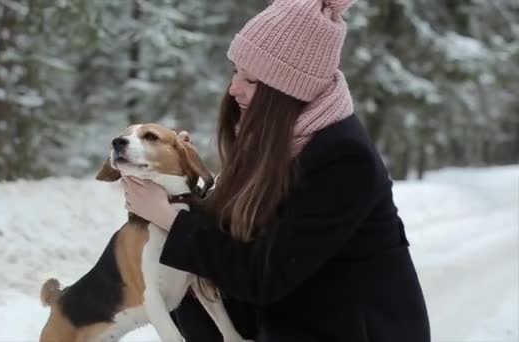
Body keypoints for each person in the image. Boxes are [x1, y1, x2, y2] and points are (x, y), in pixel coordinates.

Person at [121, 0, 431, 341]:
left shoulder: (344, 159)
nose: (234, 88)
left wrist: (170, 218)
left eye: (251, 80)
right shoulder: (277, 138)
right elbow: (235, 233)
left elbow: (264, 274)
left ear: (287, 91)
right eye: (235, 72)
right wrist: (177, 187)